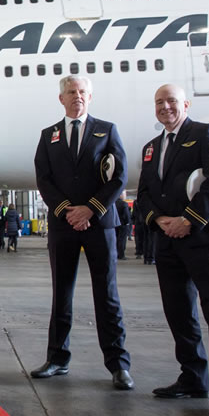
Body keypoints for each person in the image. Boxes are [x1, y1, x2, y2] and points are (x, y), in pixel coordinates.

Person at [136, 83, 209, 416]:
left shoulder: (206, 134)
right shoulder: (152, 148)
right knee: (179, 313)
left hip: (203, 240)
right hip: (167, 241)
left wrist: (189, 220)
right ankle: (192, 377)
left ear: (186, 103)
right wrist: (160, 219)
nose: (165, 107)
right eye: (159, 102)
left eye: (171, 101)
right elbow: (145, 193)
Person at [31, 75, 133, 391]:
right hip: (64, 226)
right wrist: (66, 210)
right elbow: (44, 179)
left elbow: (119, 176)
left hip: (99, 224)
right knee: (62, 294)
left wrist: (91, 209)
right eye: (71, 92)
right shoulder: (49, 136)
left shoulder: (107, 130)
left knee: (107, 295)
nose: (78, 97)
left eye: (83, 92)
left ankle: (118, 365)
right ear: (61, 99)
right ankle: (57, 358)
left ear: (90, 97)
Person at [115, 192, 131, 260]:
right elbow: (126, 215)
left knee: (115, 239)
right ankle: (121, 255)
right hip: (123, 224)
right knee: (122, 240)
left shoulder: (113, 203)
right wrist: (128, 222)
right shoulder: (124, 204)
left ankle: (115, 254)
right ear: (120, 195)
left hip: (115, 224)